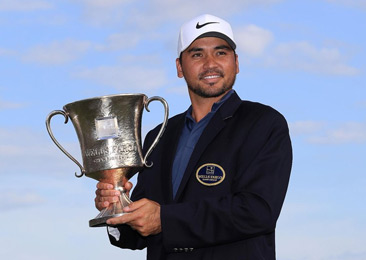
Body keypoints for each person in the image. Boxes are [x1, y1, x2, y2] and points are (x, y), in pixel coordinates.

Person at [94, 14, 293, 260]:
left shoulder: (263, 123)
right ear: (179, 67)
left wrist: (164, 219)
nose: (210, 63)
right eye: (197, 54)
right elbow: (138, 235)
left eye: (221, 53)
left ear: (236, 62)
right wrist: (117, 208)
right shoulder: (160, 135)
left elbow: (257, 212)